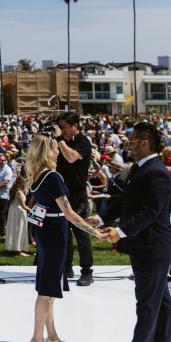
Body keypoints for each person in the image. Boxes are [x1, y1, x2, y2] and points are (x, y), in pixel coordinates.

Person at [89, 121, 171, 342]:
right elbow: (125, 199)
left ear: (145, 144)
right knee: (160, 297)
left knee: (148, 299)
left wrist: (120, 231)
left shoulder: (157, 171)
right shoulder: (141, 168)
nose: (128, 148)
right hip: (147, 245)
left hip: (153, 245)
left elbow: (150, 211)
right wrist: (101, 217)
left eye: (132, 143)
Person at [25, 134, 101, 342]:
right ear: (49, 152)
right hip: (55, 232)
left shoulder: (38, 176)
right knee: (47, 291)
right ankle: (38, 340)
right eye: (57, 148)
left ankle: (52, 337)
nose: (60, 151)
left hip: (48, 231)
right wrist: (93, 231)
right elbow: (68, 212)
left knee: (50, 289)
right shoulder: (53, 176)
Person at [55, 112, 95, 286]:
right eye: (60, 127)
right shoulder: (61, 142)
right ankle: (67, 266)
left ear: (75, 126)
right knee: (64, 233)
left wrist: (59, 140)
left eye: (64, 127)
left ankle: (87, 271)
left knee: (81, 233)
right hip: (63, 194)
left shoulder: (83, 142)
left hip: (78, 195)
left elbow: (71, 158)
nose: (61, 130)